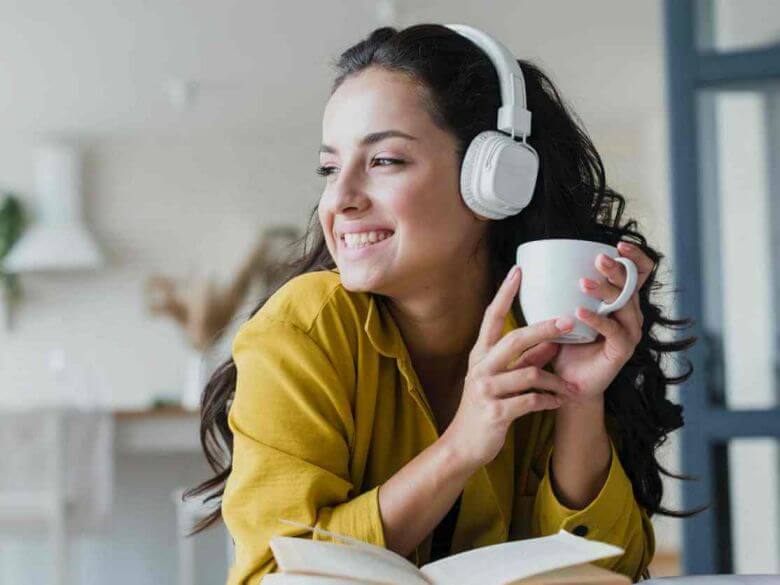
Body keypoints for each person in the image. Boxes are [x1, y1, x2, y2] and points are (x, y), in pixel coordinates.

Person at [184, 23, 702, 584]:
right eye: (330, 168)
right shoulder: (299, 330)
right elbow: (272, 572)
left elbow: (613, 570)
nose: (340, 199)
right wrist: (461, 446)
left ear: (496, 181)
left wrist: (580, 400)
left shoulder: (545, 323)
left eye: (384, 161)